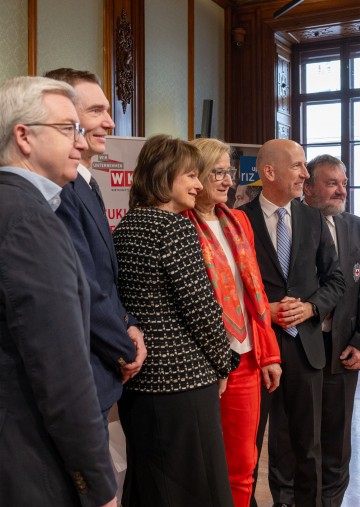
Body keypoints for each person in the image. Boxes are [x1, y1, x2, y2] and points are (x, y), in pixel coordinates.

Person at [0, 76, 117, 506]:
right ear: (24, 137)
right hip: (30, 459)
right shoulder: (30, 221)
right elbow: (63, 371)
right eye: (68, 129)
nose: (82, 143)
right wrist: (100, 484)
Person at [113, 134, 240, 507]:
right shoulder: (175, 228)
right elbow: (202, 311)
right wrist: (224, 363)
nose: (199, 184)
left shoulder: (127, 226)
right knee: (199, 490)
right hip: (183, 386)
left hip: (139, 385)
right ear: (164, 176)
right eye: (190, 176)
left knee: (149, 488)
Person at [240, 139, 345, 507]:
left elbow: (336, 279)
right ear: (269, 172)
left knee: (308, 447)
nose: (305, 173)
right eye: (298, 166)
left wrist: (312, 308)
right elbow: (230, 287)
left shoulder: (314, 218)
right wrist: (264, 308)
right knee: (249, 446)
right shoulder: (239, 220)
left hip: (306, 348)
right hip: (257, 350)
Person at [43, 68, 146, 429]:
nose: (110, 122)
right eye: (97, 112)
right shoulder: (60, 191)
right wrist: (124, 346)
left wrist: (129, 323)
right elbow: (82, 285)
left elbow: (106, 277)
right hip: (80, 372)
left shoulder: (86, 183)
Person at [182, 137, 281, 507]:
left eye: (230, 172)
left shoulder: (239, 221)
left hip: (245, 358)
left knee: (243, 463)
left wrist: (268, 354)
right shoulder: (179, 224)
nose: (227, 180)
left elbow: (252, 296)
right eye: (217, 172)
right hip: (200, 363)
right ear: (195, 175)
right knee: (199, 465)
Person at [267, 154, 360, 507]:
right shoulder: (287, 224)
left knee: (335, 442)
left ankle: (330, 502)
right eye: (332, 183)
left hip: (341, 349)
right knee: (292, 439)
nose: (341, 190)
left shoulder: (356, 227)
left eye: (344, 184)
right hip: (295, 347)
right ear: (308, 188)